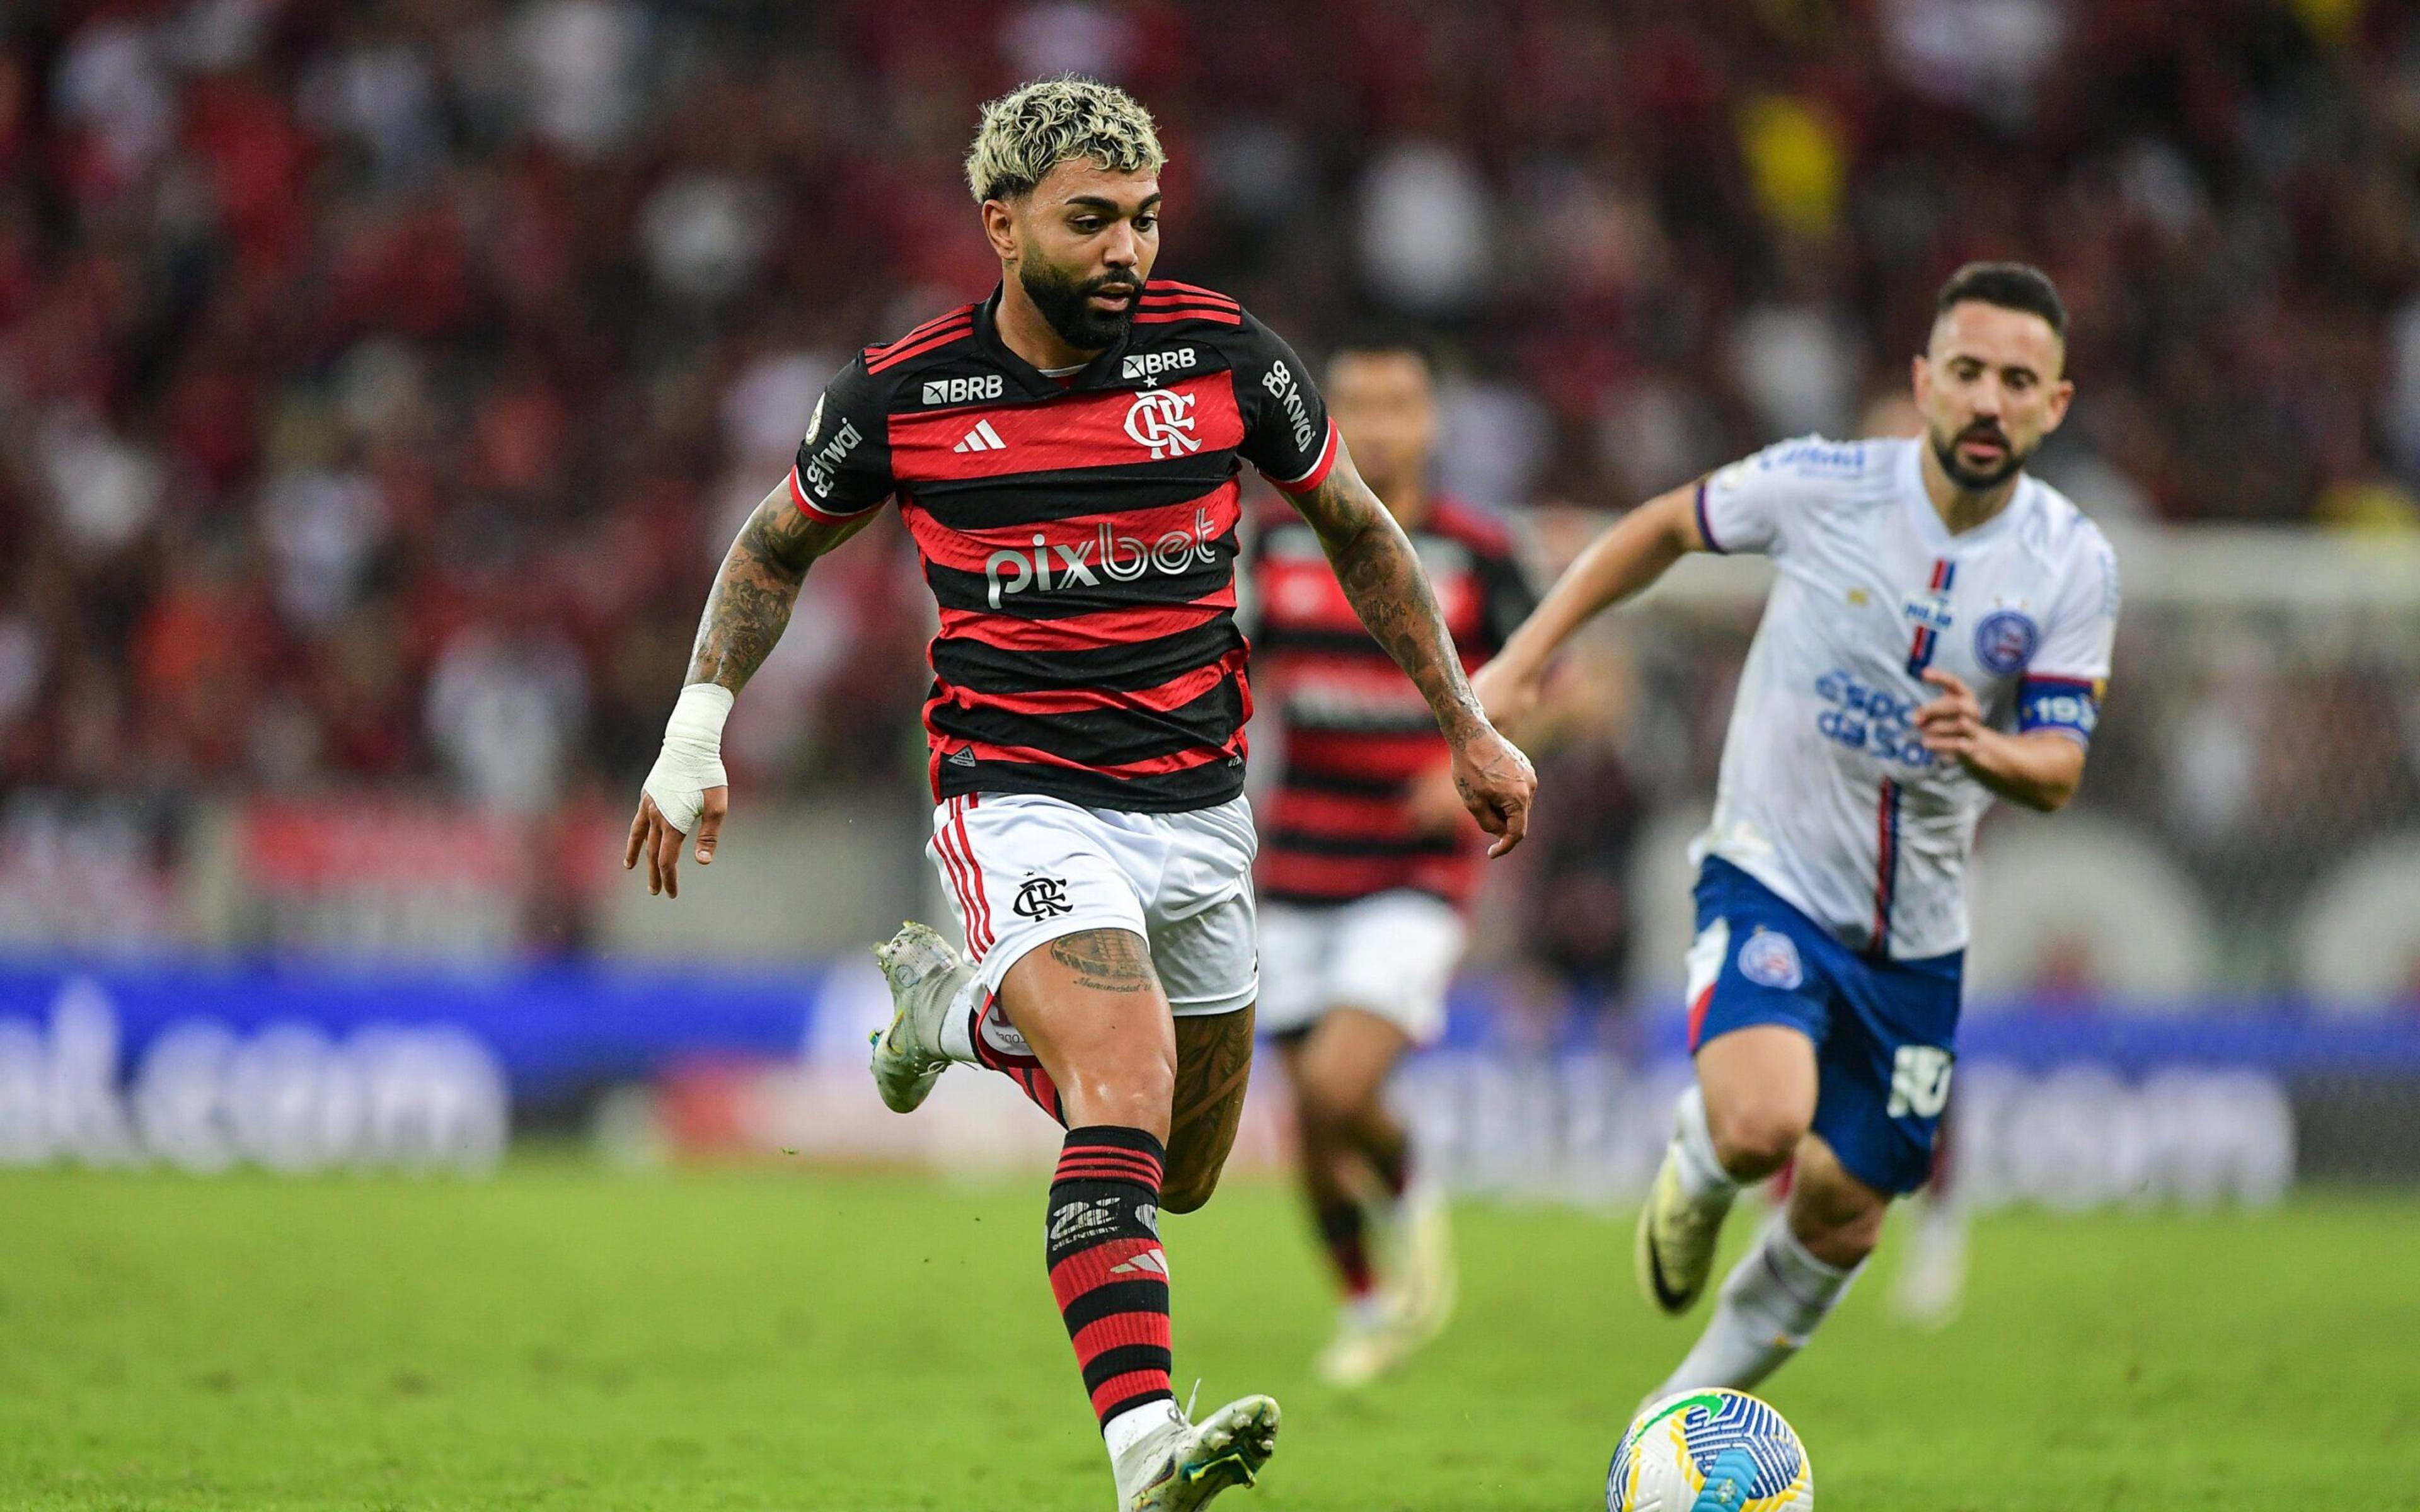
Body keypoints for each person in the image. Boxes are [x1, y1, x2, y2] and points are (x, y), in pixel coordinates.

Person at [624, 77, 1536, 1511]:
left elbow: (1357, 528)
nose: (1128, 248)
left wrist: (1468, 726)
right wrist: (696, 733)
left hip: (1201, 809)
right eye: (1092, 220)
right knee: (1120, 1081)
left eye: (1146, 220)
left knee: (1177, 1169)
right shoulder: (906, 394)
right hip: (1020, 800)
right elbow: (770, 550)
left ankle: (958, 1017)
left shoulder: (1225, 356)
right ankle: (1144, 1454)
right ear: (1002, 223)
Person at [1475, 263, 2118, 1399]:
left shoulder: (2074, 562)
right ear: (1924, 381)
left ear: (2053, 404)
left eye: (2018, 380)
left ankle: (1682, 1414)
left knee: (1847, 1213)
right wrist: (1526, 660)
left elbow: (2060, 769)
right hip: (1772, 869)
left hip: (1918, 933)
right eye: (1966, 371)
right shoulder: (1826, 484)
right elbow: (1667, 525)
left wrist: (1987, 751)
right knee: (1768, 1122)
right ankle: (1702, 1164)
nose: (1987, 399)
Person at [1243, 338, 1536, 1386]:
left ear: (1432, 423)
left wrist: (1470, 743)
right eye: (1355, 405)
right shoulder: (1276, 545)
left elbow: (1548, 677)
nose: (1375, 425)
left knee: (1336, 1083)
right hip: (1297, 864)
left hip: (1415, 868)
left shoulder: (1475, 552)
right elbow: (1233, 675)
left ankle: (1413, 1191)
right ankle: (1367, 1305)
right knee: (1306, 1116)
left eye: (1398, 405)